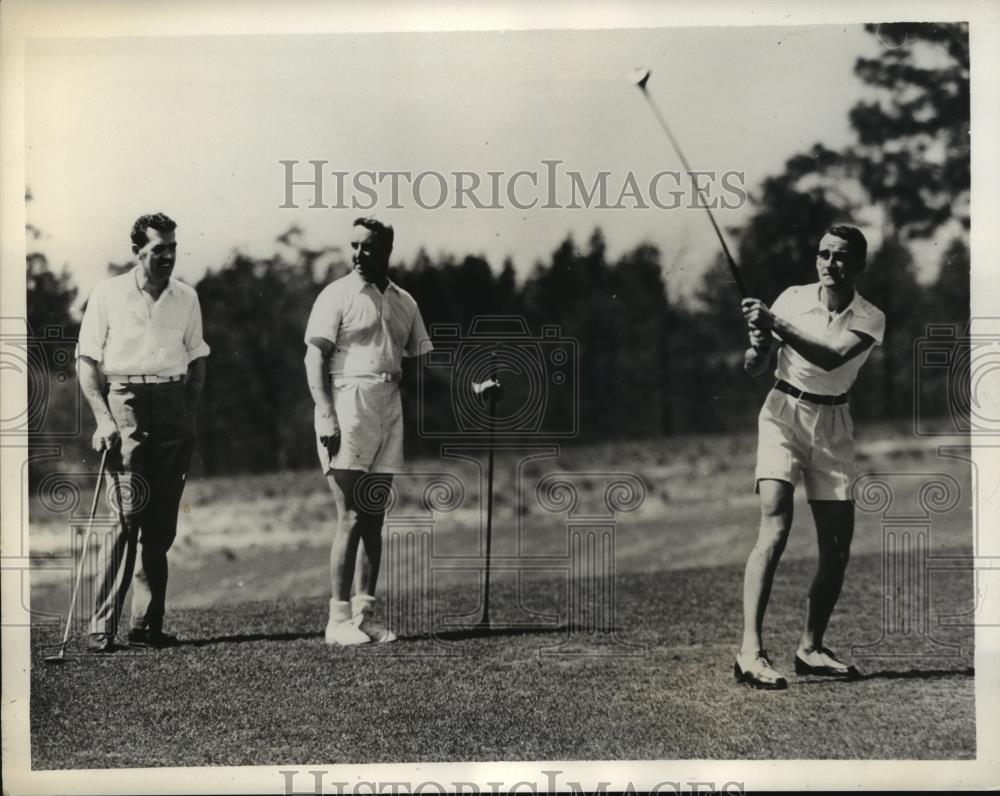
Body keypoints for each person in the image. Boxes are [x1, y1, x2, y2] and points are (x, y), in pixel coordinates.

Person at [736, 225, 885, 689]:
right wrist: (759, 347)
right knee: (775, 526)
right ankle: (749, 652)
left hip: (834, 426)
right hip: (782, 414)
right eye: (822, 254)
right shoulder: (792, 298)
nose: (828, 264)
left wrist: (774, 324)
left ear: (858, 265)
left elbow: (830, 359)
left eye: (840, 257)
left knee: (836, 552)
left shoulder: (870, 317)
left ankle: (810, 648)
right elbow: (755, 368)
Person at [77, 213, 209, 653]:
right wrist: (103, 418)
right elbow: (87, 362)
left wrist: (187, 414)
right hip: (126, 399)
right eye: (158, 249)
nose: (168, 256)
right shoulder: (109, 293)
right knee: (126, 515)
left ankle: (145, 625)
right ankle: (102, 627)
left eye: (172, 247)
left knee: (161, 523)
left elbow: (197, 358)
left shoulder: (186, 297)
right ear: (137, 251)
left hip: (173, 404)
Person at [303, 217, 433, 645]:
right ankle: (336, 621)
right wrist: (325, 413)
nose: (359, 254)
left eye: (369, 247)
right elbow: (313, 358)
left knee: (374, 518)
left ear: (387, 250)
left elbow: (424, 360)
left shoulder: (404, 301)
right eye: (354, 245)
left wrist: (474, 385)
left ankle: (363, 616)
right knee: (352, 516)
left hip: (388, 405)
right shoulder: (336, 294)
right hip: (347, 405)